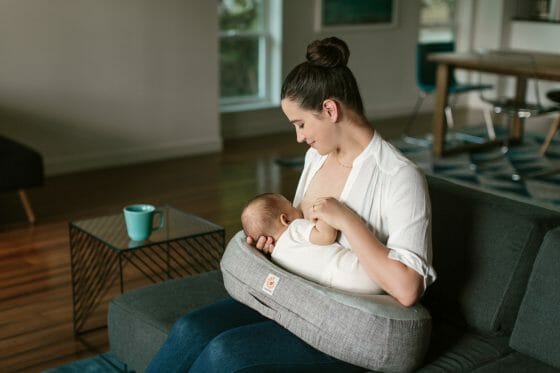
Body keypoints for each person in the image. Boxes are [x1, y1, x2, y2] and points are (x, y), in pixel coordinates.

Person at [147, 36, 436, 372]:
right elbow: (298, 234)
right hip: (292, 298)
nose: (299, 137)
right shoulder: (316, 157)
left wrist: (347, 221)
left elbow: (407, 288)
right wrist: (275, 244)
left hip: (343, 324)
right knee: (190, 329)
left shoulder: (399, 177)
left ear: (330, 109)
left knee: (227, 353)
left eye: (301, 124)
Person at [241, 192, 382, 294]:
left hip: (338, 288)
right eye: (292, 206)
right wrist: (322, 215)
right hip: (355, 271)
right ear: (285, 220)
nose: (298, 209)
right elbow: (326, 236)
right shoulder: (295, 228)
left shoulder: (276, 257)